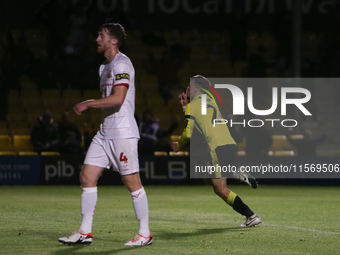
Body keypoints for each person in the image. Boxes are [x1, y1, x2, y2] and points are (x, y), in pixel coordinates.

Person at [58, 23, 152, 246]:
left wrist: (88, 103)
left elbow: (119, 99)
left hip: (122, 133)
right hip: (104, 133)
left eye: (101, 35)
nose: (97, 39)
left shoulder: (122, 63)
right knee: (87, 176)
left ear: (114, 41)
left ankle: (145, 233)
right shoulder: (103, 68)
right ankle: (85, 232)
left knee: (131, 182)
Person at [171, 75, 261, 227]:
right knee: (208, 178)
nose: (187, 88)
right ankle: (236, 172)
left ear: (197, 89)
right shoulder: (210, 102)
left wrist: (178, 146)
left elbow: (188, 131)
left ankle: (251, 215)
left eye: (190, 86)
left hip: (217, 148)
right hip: (230, 144)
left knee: (220, 189)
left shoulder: (193, 106)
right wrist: (186, 106)